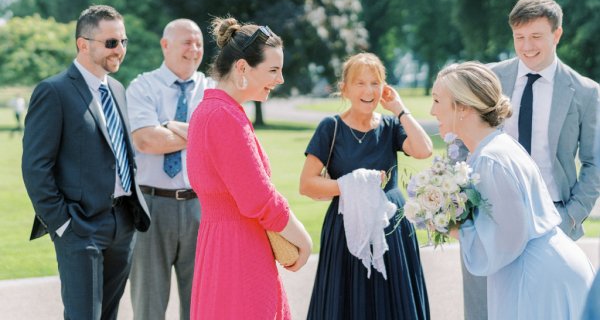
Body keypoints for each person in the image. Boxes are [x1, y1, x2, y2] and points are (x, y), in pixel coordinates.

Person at [459, 0, 600, 320]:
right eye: (519, 37)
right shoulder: (488, 80)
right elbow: (459, 138)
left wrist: (572, 218)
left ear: (557, 34)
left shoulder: (585, 92)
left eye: (536, 36)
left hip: (551, 222)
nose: (527, 46)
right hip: (488, 216)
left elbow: (595, 163)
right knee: (484, 310)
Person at [431, 61, 594, 320]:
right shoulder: (495, 147)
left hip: (536, 278)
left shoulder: (490, 159)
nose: (432, 111)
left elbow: (506, 241)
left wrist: (451, 227)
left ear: (462, 107)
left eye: (438, 101)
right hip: (540, 270)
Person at [21, 5, 151, 320]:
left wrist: (130, 217)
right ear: (83, 44)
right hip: (80, 227)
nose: (119, 50)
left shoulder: (117, 89)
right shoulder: (53, 91)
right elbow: (36, 168)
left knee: (109, 316)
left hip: (124, 223)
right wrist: (64, 224)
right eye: (110, 43)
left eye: (123, 41)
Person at [186, 17, 312, 319]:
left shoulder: (212, 111)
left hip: (221, 248)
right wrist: (303, 240)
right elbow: (259, 198)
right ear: (242, 68)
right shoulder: (224, 117)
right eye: (273, 70)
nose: (280, 79)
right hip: (239, 253)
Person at [300, 52, 433, 319]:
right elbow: (307, 184)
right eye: (360, 83)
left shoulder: (391, 125)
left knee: (394, 301)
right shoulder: (330, 127)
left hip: (391, 227)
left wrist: (400, 109)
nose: (368, 90)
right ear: (345, 89)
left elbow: (424, 149)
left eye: (375, 82)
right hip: (345, 227)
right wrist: (353, 184)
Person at [126, 19, 215, 320]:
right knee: (148, 306)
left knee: (201, 306)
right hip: (151, 206)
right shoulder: (142, 87)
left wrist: (169, 127)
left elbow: (223, 141)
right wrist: (201, 133)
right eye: (187, 42)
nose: (194, 49)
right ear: (165, 45)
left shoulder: (213, 89)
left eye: (199, 43)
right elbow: (146, 140)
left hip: (203, 207)